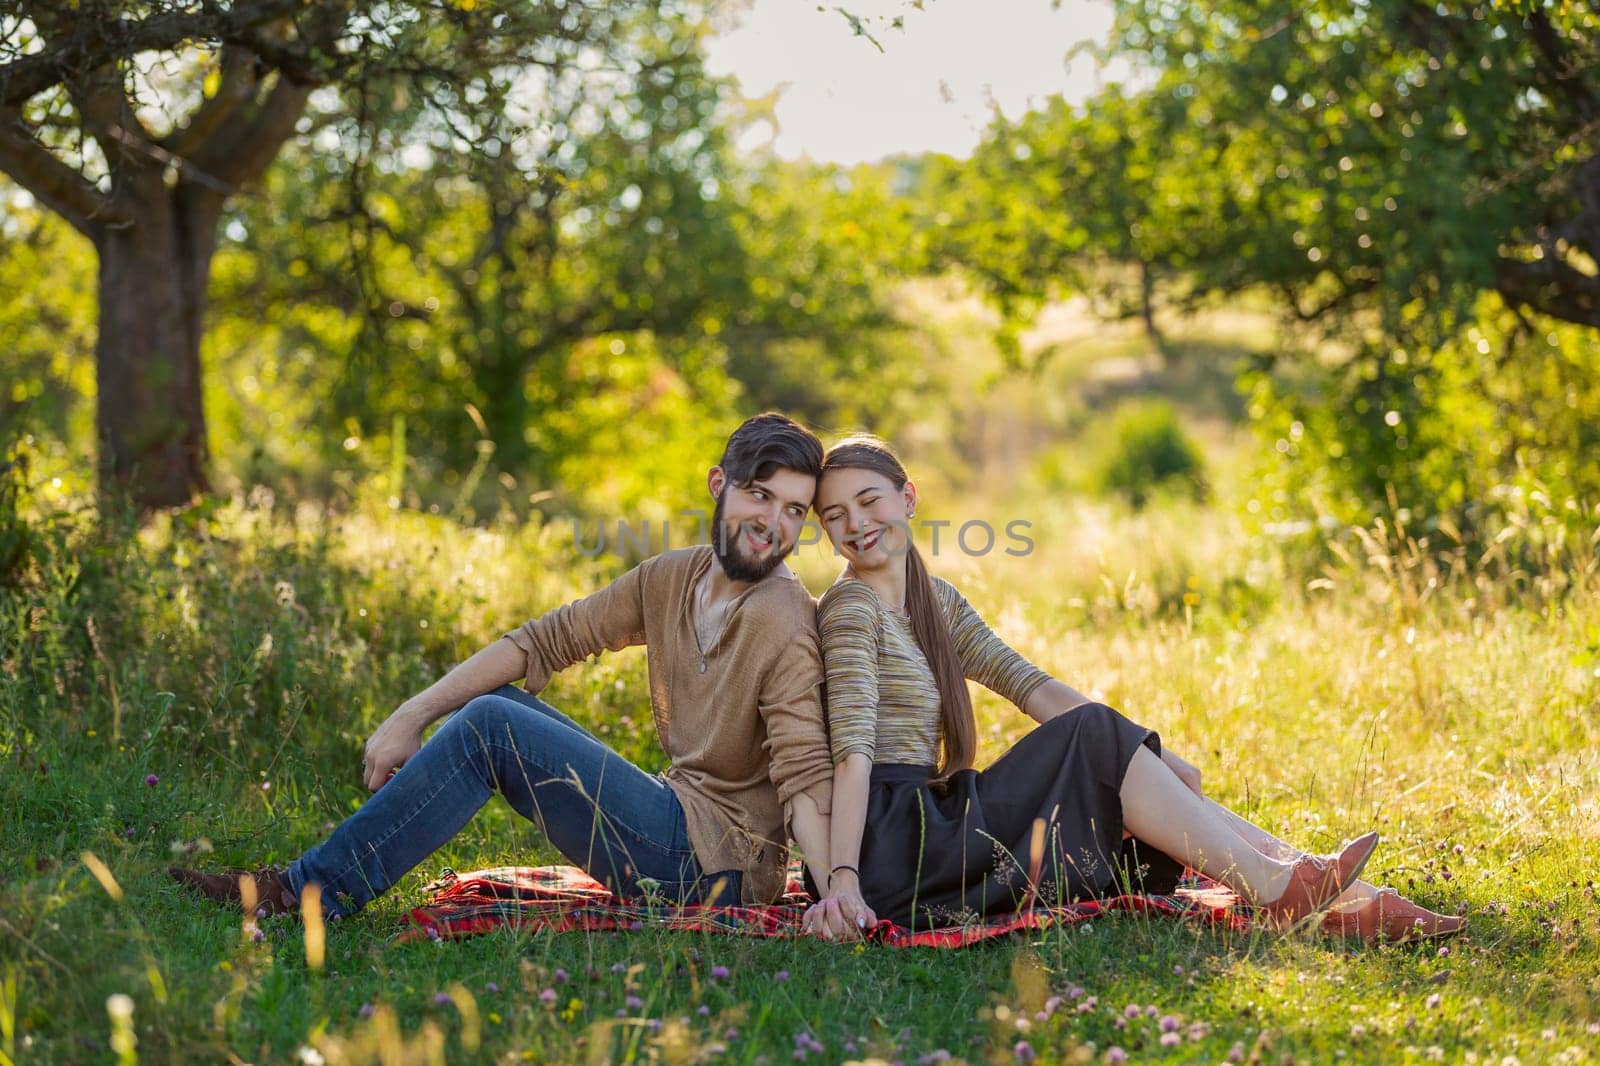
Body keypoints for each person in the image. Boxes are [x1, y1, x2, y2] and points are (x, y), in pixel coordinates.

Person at [172, 413, 843, 917]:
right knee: (490, 707)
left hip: (717, 873)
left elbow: (805, 775)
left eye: (793, 511)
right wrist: (410, 715)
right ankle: (310, 886)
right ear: (719, 484)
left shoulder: (784, 621)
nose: (774, 524)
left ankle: (303, 894)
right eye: (760, 495)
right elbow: (542, 640)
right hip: (675, 820)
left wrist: (837, 891)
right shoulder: (673, 577)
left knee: (494, 723)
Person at [801, 435, 1465, 944]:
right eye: (835, 515)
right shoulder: (851, 609)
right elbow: (852, 754)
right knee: (1095, 738)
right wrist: (845, 879)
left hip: (927, 822)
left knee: (1103, 741)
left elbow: (1030, 687)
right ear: (825, 531)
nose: (856, 523)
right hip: (890, 845)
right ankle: (1283, 887)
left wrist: (1140, 752)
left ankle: (1337, 897)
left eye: (870, 501)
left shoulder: (934, 600)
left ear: (907, 497)